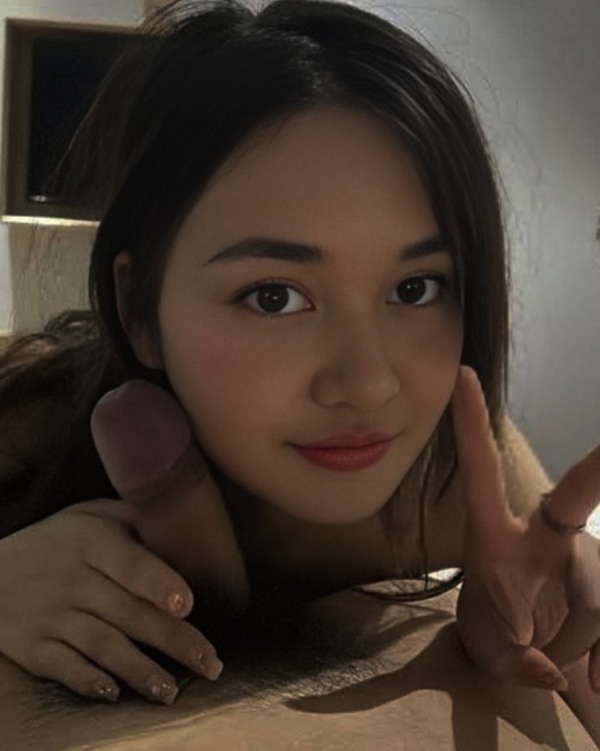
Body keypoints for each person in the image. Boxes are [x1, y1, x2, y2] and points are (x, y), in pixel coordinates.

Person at [0, 0, 599, 743]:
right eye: (274, 297)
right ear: (139, 309)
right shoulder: (35, 414)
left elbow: (543, 599)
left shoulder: (459, 466)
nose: (369, 385)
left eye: (416, 289)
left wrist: (533, 619)